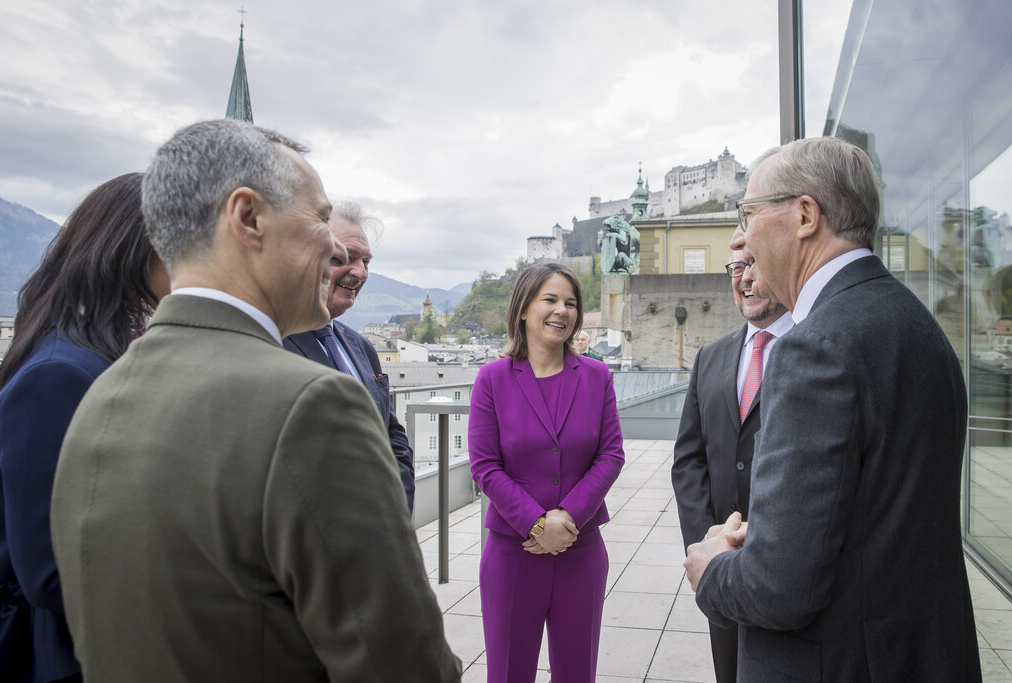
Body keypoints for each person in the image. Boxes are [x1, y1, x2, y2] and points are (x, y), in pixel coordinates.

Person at [50, 119, 461, 682]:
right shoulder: (310, 406)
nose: (337, 246)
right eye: (319, 217)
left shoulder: (102, 395)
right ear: (248, 218)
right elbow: (403, 665)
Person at [683, 136, 981, 681]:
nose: (738, 236)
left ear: (804, 215)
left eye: (748, 213)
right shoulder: (917, 326)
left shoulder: (813, 347)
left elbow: (778, 589)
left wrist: (713, 570)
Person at [0, 172, 169, 683]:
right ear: (137, 252)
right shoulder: (56, 376)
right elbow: (51, 573)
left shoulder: (103, 359)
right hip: (52, 656)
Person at [469, 262, 625, 683]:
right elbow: (484, 465)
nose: (563, 311)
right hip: (513, 553)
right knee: (508, 673)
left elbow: (611, 454)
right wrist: (537, 524)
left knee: (577, 673)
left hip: (582, 550)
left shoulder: (596, 375)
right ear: (523, 308)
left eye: (571, 303)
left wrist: (568, 518)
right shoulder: (492, 379)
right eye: (551, 300)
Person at [671, 247, 791, 683]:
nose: (745, 277)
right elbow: (688, 460)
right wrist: (706, 541)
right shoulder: (710, 357)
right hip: (719, 561)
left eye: (756, 264)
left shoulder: (815, 349)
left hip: (786, 563)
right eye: (737, 267)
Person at [284, 202, 415, 512]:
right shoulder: (271, 341)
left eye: (365, 260)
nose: (360, 272)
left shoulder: (362, 346)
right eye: (344, 257)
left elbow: (392, 436)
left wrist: (397, 509)